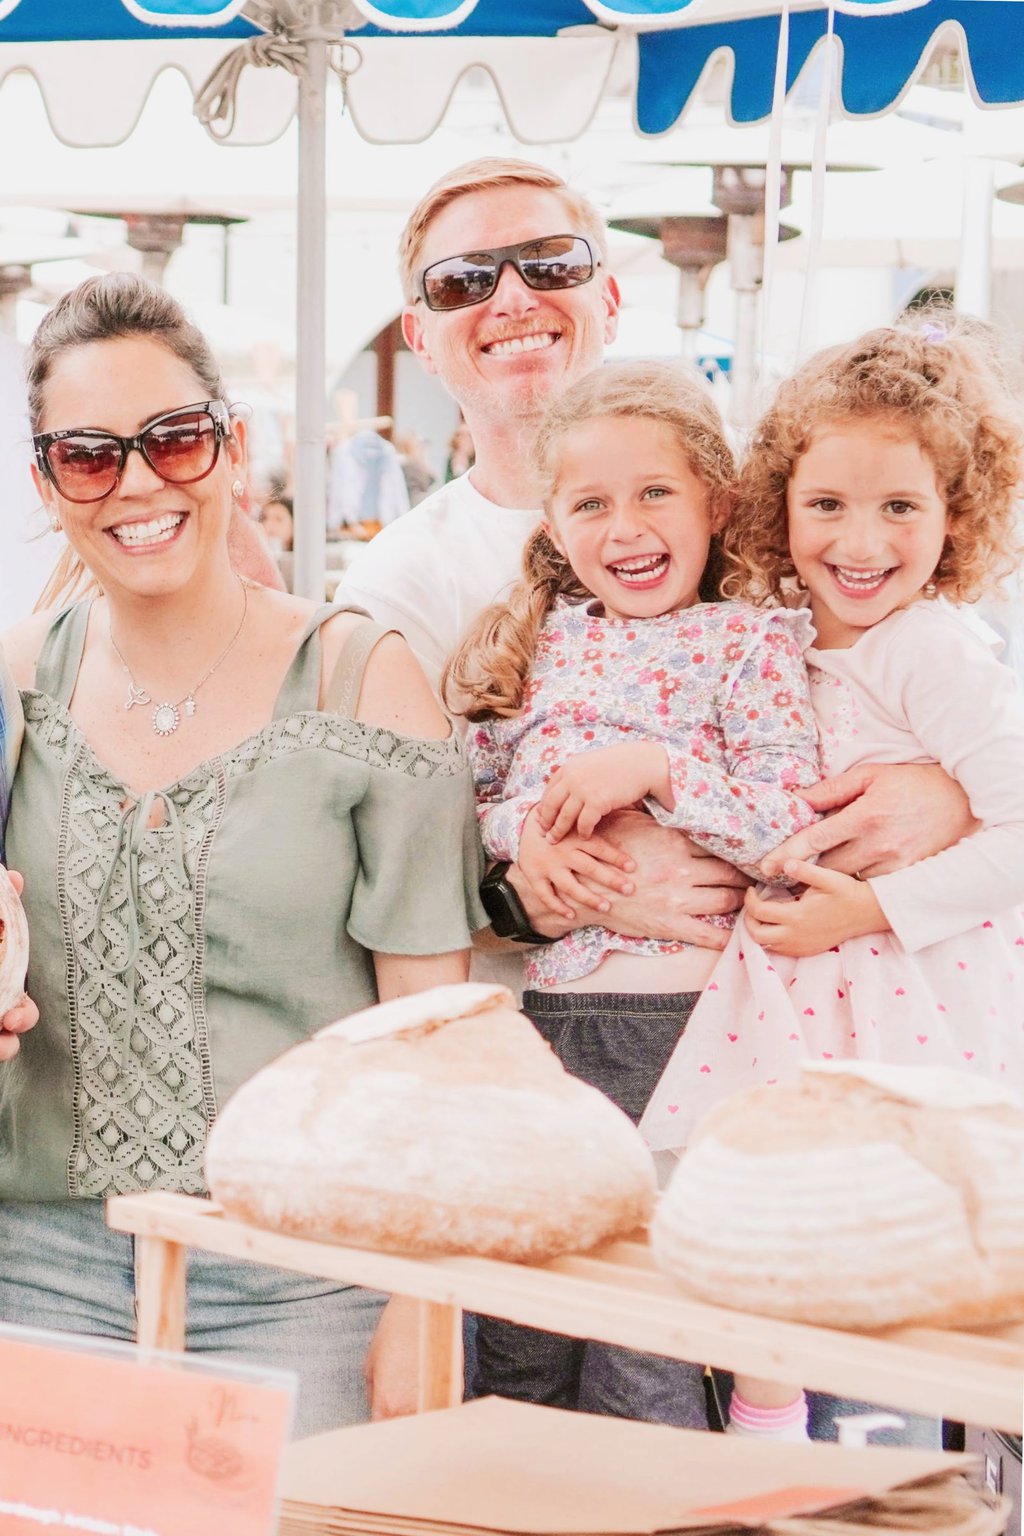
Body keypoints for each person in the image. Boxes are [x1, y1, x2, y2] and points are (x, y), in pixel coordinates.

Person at [0, 273, 485, 1437]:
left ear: (233, 445)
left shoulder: (363, 678)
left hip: (302, 1280)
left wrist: (419, 1311)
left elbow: (430, 1041)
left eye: (173, 440)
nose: (137, 484)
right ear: (46, 483)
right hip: (36, 1269)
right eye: (88, 455)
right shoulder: (17, 682)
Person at [338, 155, 977, 976]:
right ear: (419, 335)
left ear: (607, 298)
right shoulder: (394, 587)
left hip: (797, 1013)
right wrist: (545, 897)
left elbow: (952, 690)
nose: (512, 297)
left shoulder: (783, 522)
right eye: (463, 281)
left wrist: (951, 795)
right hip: (552, 1041)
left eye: (550, 262)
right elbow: (378, 869)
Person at [643, 312, 1024, 1444]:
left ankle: (884, 1458)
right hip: (817, 993)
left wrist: (873, 907)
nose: (860, 541)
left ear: (954, 516)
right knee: (784, 1221)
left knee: (890, 1238)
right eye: (828, 506)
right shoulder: (786, 636)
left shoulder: (930, 647)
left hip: (914, 993)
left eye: (899, 507)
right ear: (780, 506)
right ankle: (776, 1415)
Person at [444, 359, 821, 1429]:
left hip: (691, 1035)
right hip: (550, 1030)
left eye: (655, 491)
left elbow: (789, 824)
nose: (627, 526)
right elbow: (465, 811)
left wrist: (657, 770)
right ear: (554, 524)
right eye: (591, 502)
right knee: (522, 1334)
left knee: (644, 1348)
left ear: (716, 498)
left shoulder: (750, 640)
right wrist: (527, 849)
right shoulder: (531, 650)